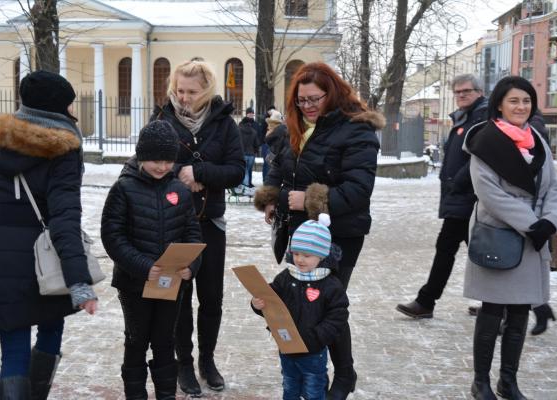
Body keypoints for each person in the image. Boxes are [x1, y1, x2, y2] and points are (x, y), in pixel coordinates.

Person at [254, 62, 383, 400]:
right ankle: (314, 368)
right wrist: (271, 198)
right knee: (304, 303)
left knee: (329, 302)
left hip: (340, 234)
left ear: (333, 93)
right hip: (300, 235)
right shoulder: (290, 128)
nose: (308, 106)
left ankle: (343, 374)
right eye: (301, 100)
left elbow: (358, 190)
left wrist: (310, 200)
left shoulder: (357, 130)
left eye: (315, 99)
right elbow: (277, 168)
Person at [0, 70, 98, 398]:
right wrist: (78, 281)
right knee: (49, 332)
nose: (73, 113)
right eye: (70, 106)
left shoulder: (1, 142)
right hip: (48, 260)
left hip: (1, 260)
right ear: (57, 110)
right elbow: (64, 218)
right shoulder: (63, 149)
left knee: (13, 352)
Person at [463, 76, 557, 400]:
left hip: (533, 237)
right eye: (514, 101)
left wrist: (550, 221)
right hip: (500, 235)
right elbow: (489, 194)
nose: (521, 107)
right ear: (500, 105)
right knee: (492, 311)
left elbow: (553, 187)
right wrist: (532, 225)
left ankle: (509, 381)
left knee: (520, 312)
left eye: (526, 101)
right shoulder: (485, 141)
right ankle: (481, 382)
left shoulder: (538, 140)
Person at [150, 60, 245, 396]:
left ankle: (207, 359)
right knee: (178, 297)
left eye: (191, 91)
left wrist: (201, 174)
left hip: (210, 223)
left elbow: (237, 170)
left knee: (211, 297)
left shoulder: (224, 124)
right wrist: (180, 173)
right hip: (172, 223)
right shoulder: (162, 119)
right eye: (179, 90)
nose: (184, 98)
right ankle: (184, 363)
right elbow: (146, 161)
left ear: (206, 91)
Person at [101, 120, 203, 399]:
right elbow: (113, 237)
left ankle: (166, 394)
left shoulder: (180, 191)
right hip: (134, 285)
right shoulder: (123, 188)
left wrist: (191, 266)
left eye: (168, 160)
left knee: (164, 341)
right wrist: (144, 267)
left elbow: (193, 233)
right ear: (142, 156)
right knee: (136, 341)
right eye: (156, 160)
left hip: (171, 284)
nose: (162, 166)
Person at [396, 74, 488, 319]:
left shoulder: (482, 117)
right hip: (461, 197)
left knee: (469, 251)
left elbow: (479, 158)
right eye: (457, 92)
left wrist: (457, 182)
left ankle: (427, 301)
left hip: (472, 198)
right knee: (467, 251)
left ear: (479, 91)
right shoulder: (467, 116)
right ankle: (499, 304)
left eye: (466, 91)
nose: (461, 96)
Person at [251, 215, 349, 400]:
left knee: (313, 391)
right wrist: (258, 304)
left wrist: (315, 338)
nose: (300, 260)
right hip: (287, 348)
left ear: (321, 255)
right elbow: (270, 299)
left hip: (313, 352)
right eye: (296, 253)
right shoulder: (286, 278)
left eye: (306, 255)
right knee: (289, 387)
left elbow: (338, 317)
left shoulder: (331, 285)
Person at [237, 114, 261, 195]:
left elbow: (236, 142)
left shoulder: (239, 130)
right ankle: (246, 187)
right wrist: (255, 151)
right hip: (251, 155)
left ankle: (245, 188)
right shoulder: (254, 132)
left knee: (245, 171)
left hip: (242, 154)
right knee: (248, 171)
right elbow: (257, 144)